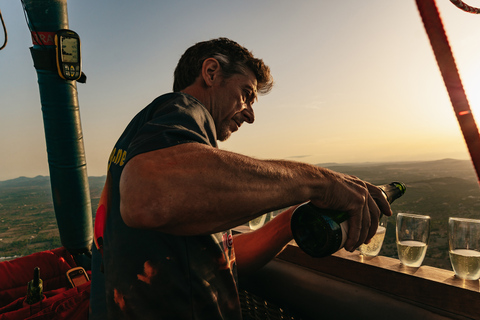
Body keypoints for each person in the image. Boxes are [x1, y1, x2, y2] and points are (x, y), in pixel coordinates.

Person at [89, 37, 392, 319]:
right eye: (246, 95)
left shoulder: (148, 139)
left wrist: (290, 222)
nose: (250, 115)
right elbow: (145, 196)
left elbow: (218, 259)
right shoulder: (182, 109)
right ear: (211, 72)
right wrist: (321, 182)